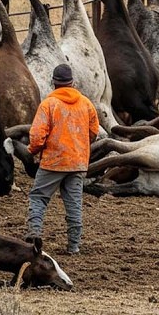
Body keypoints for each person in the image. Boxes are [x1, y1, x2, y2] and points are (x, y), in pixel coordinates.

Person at [27, 64, 99, 255]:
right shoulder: (86, 103)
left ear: (54, 83)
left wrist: (33, 151)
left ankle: (34, 234)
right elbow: (94, 132)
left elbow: (36, 136)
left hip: (53, 162)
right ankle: (74, 246)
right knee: (74, 205)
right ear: (72, 82)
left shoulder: (48, 105)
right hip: (77, 163)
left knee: (38, 197)